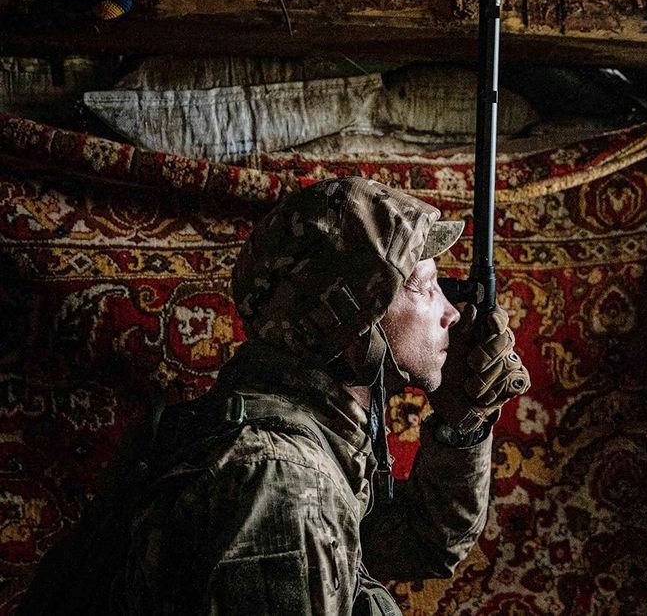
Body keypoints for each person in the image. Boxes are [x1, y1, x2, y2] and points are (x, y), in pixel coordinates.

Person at [19, 176, 530, 615]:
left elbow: (417, 547)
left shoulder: (307, 434)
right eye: (424, 286)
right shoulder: (281, 482)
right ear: (352, 317)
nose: (452, 313)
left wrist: (462, 425)